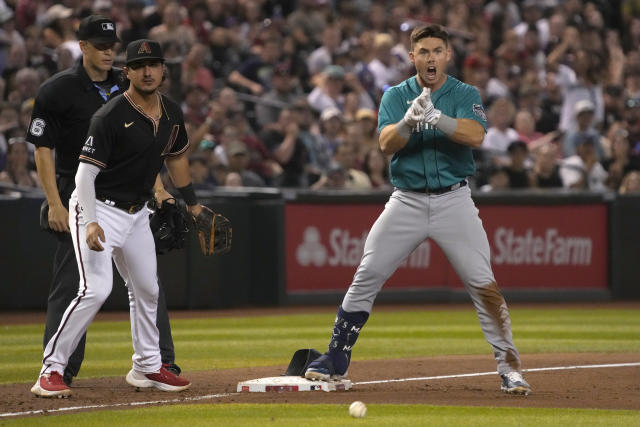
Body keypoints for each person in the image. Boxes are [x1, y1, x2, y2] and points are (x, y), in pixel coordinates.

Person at [304, 24, 531, 396]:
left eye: (437, 51)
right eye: (423, 51)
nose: (430, 58)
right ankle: (334, 359)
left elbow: (476, 135)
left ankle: (510, 368)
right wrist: (408, 121)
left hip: (454, 200)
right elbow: (384, 143)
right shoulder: (395, 95)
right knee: (367, 273)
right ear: (412, 57)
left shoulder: (463, 92)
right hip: (406, 199)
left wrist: (438, 119)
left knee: (483, 284)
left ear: (447, 55)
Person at [25, 17, 178, 392]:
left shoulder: (128, 88)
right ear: (83, 46)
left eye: (112, 45)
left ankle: (158, 361)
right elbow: (42, 149)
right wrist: (55, 203)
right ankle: (60, 368)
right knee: (78, 286)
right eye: (100, 44)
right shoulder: (57, 90)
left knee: (147, 285)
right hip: (79, 192)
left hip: (130, 196)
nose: (109, 51)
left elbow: (142, 150)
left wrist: (158, 190)